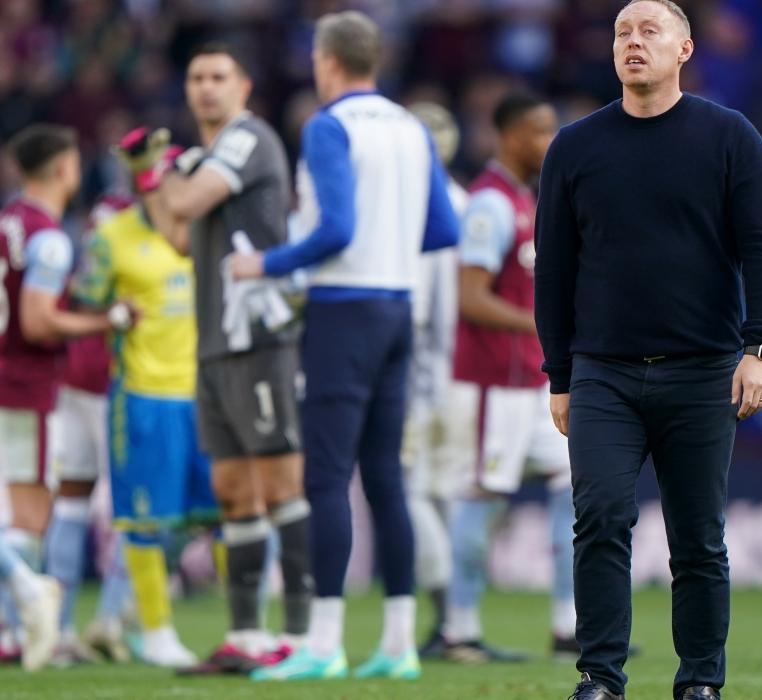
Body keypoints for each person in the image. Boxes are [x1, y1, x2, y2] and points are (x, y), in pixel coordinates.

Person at [533, 1, 762, 697]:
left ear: (685, 49)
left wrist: (760, 346)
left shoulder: (730, 137)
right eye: (623, 32)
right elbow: (553, 270)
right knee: (600, 520)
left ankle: (700, 681)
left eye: (650, 31)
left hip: (702, 370)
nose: (633, 42)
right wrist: (560, 374)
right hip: (602, 374)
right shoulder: (574, 147)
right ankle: (600, 677)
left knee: (698, 536)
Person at [229, 11, 458, 681]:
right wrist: (390, 242)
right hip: (399, 307)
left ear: (326, 61)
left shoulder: (328, 126)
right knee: (386, 478)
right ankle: (398, 643)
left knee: (326, 476)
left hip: (342, 311)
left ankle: (324, 642)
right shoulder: (412, 127)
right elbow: (443, 229)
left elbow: (335, 229)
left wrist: (265, 264)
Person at [148, 44, 313, 673]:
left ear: (242, 86)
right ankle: (245, 637)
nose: (206, 87)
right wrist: (160, 177)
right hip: (215, 343)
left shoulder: (247, 139)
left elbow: (183, 204)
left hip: (260, 339)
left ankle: (300, 639)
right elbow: (177, 237)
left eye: (218, 76)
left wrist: (159, 173)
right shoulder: (202, 160)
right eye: (196, 77)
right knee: (233, 489)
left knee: (281, 484)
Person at [436, 91, 577, 663]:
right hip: (493, 384)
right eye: (540, 130)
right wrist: (540, 321)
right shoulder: (490, 204)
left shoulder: (525, 199)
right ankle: (460, 630)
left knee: (576, 489)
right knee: (483, 500)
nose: (550, 140)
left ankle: (570, 626)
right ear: (512, 136)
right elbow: (470, 297)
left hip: (533, 383)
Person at [73, 127, 221, 668]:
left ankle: (244, 630)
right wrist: (111, 314)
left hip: (208, 393)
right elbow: (83, 300)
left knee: (223, 516)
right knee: (144, 521)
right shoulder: (111, 236)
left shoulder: (210, 230)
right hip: (143, 395)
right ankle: (155, 632)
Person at [0, 124, 126, 671]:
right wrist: (104, 320)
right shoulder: (49, 237)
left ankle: (13, 629)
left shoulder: (7, 223)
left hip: (7, 378)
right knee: (29, 517)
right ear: (63, 168)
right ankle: (30, 599)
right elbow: (37, 320)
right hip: (25, 385)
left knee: (25, 512)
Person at [45, 193, 135, 666]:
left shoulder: (90, 230)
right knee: (134, 505)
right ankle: (111, 618)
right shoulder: (133, 226)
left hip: (70, 376)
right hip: (110, 379)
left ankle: (57, 630)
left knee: (71, 502)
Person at [404, 101, 474, 656]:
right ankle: (459, 619)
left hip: (422, 376)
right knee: (446, 494)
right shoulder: (467, 202)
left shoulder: (412, 205)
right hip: (465, 374)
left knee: (410, 491)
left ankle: (449, 615)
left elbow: (419, 310)